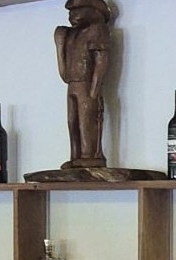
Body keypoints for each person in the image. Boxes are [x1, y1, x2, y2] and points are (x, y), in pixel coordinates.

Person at [55, 0, 111, 169]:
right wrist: (59, 43)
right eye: (70, 13)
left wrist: (94, 89)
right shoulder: (69, 35)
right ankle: (75, 155)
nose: (72, 16)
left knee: (87, 121)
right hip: (72, 83)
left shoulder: (96, 30)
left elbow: (101, 62)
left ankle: (88, 155)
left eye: (76, 12)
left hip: (86, 85)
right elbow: (64, 73)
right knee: (72, 121)